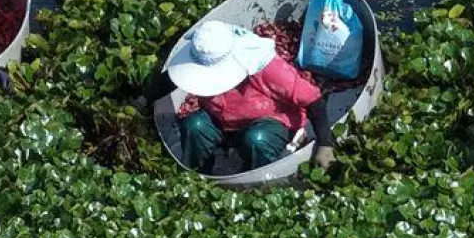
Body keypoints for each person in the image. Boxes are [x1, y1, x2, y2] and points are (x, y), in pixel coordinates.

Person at [142, 20, 336, 173]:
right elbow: (172, 78)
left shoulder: (265, 67)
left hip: (270, 122)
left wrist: (325, 143)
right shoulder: (199, 56)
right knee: (194, 126)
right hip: (221, 119)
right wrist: (143, 100)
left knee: (256, 139)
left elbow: (313, 100)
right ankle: (197, 176)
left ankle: (261, 181)